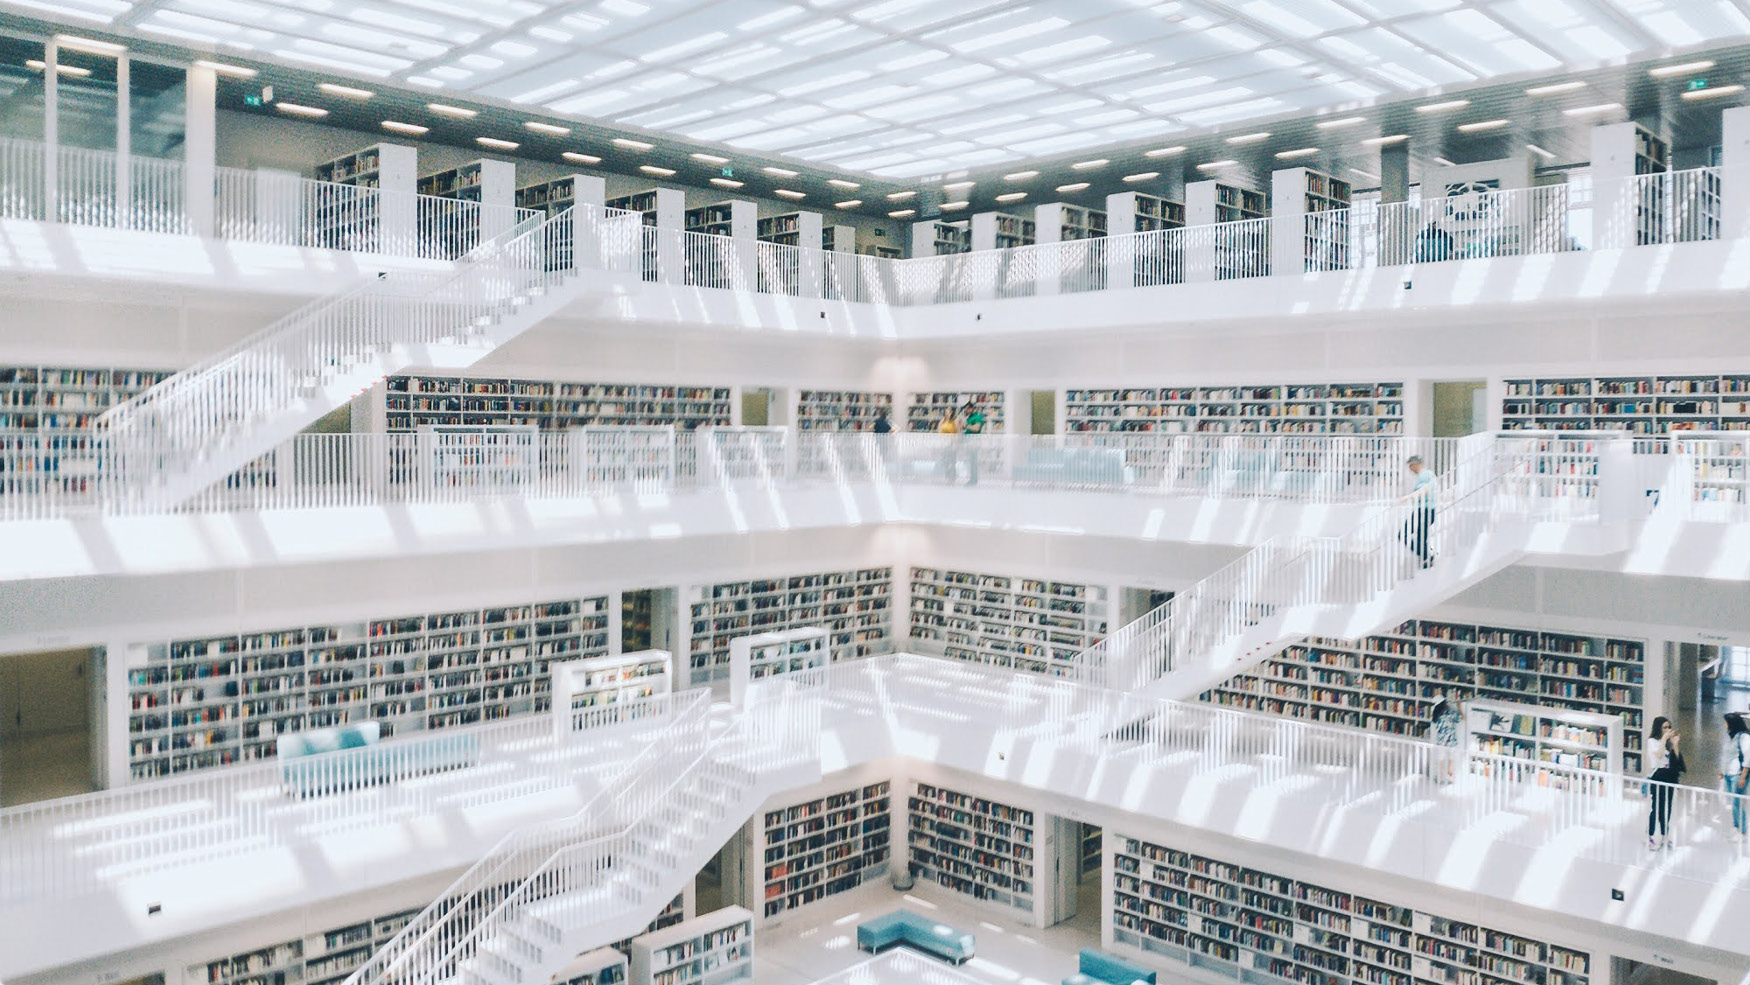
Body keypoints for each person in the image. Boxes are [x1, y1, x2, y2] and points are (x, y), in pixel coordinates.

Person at [1647, 717, 1685, 850]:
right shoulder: (1652, 741)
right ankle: (1650, 836)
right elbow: (1658, 755)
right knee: (1656, 807)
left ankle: (1665, 834)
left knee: (1667, 807)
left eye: (1669, 727)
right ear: (1658, 728)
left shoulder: (1668, 742)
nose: (1667, 730)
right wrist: (1663, 740)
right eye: (1664, 727)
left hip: (1669, 777)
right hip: (1658, 776)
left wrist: (1675, 744)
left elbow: (1677, 760)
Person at [1401, 455, 1437, 570]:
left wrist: (1408, 497)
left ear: (1415, 464)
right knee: (1420, 537)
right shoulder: (1426, 475)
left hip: (1424, 510)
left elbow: (1425, 490)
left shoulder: (1425, 475)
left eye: (1411, 467)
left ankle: (1427, 555)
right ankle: (1426, 555)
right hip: (1423, 510)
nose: (1410, 470)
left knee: (1405, 534)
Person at [1721, 713, 1750, 840]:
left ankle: (1742, 831)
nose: (1724, 724)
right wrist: (1722, 770)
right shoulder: (1731, 736)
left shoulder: (1744, 738)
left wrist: (1743, 776)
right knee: (1733, 802)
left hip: (1738, 774)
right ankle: (1736, 826)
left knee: (1737, 802)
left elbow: (1748, 758)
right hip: (1728, 773)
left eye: (1726, 722)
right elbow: (1727, 755)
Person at [1428, 690, 1463, 784]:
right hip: (1451, 739)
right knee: (1451, 759)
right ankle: (1449, 776)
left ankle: (1440, 777)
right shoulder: (1450, 713)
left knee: (1440, 760)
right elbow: (1460, 718)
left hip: (1441, 740)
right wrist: (1459, 708)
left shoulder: (1436, 715)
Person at [961, 402, 985, 486]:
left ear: (971, 409)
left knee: (973, 461)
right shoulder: (969, 418)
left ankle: (974, 480)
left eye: (967, 409)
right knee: (971, 461)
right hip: (968, 442)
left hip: (974, 442)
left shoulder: (978, 416)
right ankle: (972, 478)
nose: (966, 411)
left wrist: (966, 426)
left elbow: (976, 428)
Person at [936, 410, 959, 482]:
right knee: (945, 460)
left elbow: (957, 431)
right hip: (944, 443)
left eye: (948, 412)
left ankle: (952, 477)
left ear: (951, 413)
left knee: (952, 461)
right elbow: (939, 430)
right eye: (946, 412)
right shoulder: (942, 421)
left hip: (952, 443)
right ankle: (947, 476)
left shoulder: (954, 421)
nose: (947, 414)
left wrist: (956, 442)